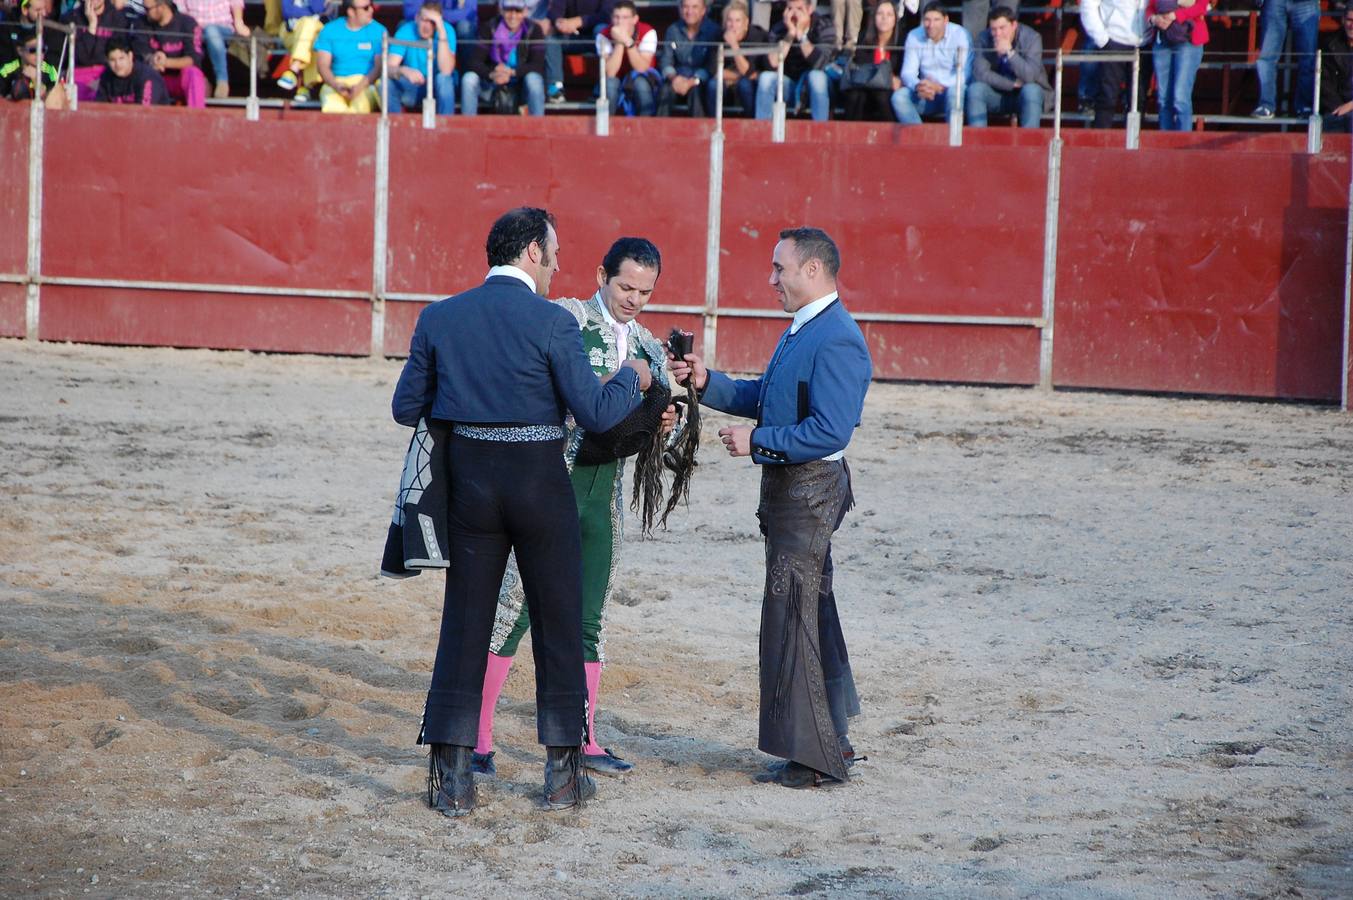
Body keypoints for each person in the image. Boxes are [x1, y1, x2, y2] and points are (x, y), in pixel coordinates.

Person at [391, 207, 651, 817]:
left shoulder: (441, 317)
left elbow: (408, 407)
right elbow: (595, 412)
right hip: (539, 483)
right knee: (559, 624)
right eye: (554, 251)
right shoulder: (550, 322)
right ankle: (563, 777)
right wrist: (635, 377)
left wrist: (466, 400)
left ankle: (453, 780)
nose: (559, 262)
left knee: (465, 624)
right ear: (531, 252)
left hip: (472, 486)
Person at [670, 227, 871, 790]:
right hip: (795, 493)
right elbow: (767, 395)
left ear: (812, 270)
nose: (772, 278)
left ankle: (815, 759)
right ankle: (832, 740)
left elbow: (831, 430)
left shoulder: (836, 337)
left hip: (807, 493)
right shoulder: (809, 329)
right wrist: (707, 382)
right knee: (811, 610)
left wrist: (758, 442)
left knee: (795, 615)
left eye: (779, 268)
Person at [473, 237, 679, 780]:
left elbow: (664, 412)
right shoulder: (563, 319)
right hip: (550, 487)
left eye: (644, 291)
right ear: (601, 275)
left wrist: (663, 421)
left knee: (590, 620)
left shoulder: (649, 348)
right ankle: (477, 738)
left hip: (602, 497)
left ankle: (585, 740)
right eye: (625, 286)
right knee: (511, 612)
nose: (633, 299)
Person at [966, 5, 1049, 128]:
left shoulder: (1032, 38)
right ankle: (978, 142)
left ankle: (1029, 142)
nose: (997, 34)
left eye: (1002, 28)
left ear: (1014, 25)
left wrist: (1010, 53)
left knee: (1032, 90)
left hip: (1024, 94)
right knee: (976, 89)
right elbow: (980, 74)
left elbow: (1030, 76)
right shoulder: (984, 37)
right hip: (996, 93)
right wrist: (1011, 83)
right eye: (993, 29)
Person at [461, 0, 546, 116]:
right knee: (468, 79)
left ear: (525, 12)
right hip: (492, 83)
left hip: (521, 84)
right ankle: (468, 125)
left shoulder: (534, 30)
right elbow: (474, 62)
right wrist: (492, 74)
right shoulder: (489, 27)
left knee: (534, 79)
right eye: (509, 11)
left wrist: (512, 72)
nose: (513, 16)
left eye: (518, 11)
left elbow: (538, 64)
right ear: (501, 11)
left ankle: (538, 126)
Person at [757, 0, 835, 122]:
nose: (793, 14)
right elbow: (772, 65)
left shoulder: (825, 25)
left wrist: (801, 34)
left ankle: (820, 129)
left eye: (799, 9)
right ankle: (761, 131)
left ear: (809, 9)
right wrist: (790, 34)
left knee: (816, 76)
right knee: (766, 78)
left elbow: (820, 64)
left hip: (818, 87)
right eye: (790, 9)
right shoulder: (778, 29)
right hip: (790, 86)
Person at [894, 0, 970, 125]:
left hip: (951, 91)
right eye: (927, 20)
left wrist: (939, 86)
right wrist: (919, 85)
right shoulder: (914, 35)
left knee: (954, 93)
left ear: (946, 20)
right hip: (926, 92)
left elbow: (964, 74)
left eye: (936, 20)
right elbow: (908, 72)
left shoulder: (960, 35)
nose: (931, 25)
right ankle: (920, 138)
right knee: (899, 97)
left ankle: (952, 141)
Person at [1079, 0, 1148, 128]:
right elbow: (1088, 6)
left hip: (1144, 43)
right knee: (1107, 97)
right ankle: (1100, 142)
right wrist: (1102, 39)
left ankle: (1134, 145)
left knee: (1139, 99)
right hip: (1114, 40)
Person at [314, 0, 386, 114]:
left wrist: (359, 87)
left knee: (359, 110)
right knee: (332, 110)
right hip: (336, 82)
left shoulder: (378, 30)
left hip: (366, 83)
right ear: (351, 12)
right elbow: (323, 65)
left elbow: (378, 67)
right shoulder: (330, 30)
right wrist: (336, 85)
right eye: (366, 8)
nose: (371, 10)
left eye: (371, 5)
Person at [61, 0, 140, 101]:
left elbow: (114, 53)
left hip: (106, 74)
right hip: (77, 74)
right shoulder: (70, 18)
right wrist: (92, 27)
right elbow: (79, 57)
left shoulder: (117, 18)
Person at [1147, 0, 1207, 131]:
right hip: (1163, 40)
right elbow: (1150, 7)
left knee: (1180, 98)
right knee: (1163, 99)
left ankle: (1183, 145)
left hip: (1188, 40)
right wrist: (1154, 19)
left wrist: (1176, 15)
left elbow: (1201, 6)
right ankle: (1166, 144)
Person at [1252, 0, 1318, 118]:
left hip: (1306, 3)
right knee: (1267, 57)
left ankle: (1304, 106)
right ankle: (1266, 104)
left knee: (1308, 57)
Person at [389, 1, 456, 115]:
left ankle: (446, 128)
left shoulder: (446, 31)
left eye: (432, 22)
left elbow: (446, 71)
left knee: (443, 79)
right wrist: (404, 70)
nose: (427, 26)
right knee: (385, 83)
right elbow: (388, 67)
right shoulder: (406, 30)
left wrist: (440, 30)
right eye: (424, 20)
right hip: (414, 87)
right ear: (417, 18)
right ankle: (395, 126)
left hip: (439, 88)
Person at [840, 0, 903, 122]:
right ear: (874, 17)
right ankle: (851, 134)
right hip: (867, 84)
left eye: (889, 14)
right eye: (880, 14)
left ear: (895, 19)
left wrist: (898, 79)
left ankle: (891, 134)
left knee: (881, 95)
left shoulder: (901, 41)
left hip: (888, 88)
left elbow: (902, 70)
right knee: (855, 95)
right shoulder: (864, 39)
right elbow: (863, 67)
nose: (884, 18)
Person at [140, 0, 208, 108]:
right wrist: (153, 59)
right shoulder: (142, 23)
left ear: (161, 6)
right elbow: (139, 52)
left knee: (193, 73)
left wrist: (166, 62)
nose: (145, 13)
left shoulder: (187, 23)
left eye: (148, 9)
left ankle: (197, 117)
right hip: (154, 78)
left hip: (179, 79)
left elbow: (194, 59)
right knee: (144, 75)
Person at [658, 0, 719, 116]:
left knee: (696, 92)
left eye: (695, 7)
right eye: (686, 7)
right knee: (665, 91)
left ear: (703, 10)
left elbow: (711, 66)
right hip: (677, 77)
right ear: (680, 9)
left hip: (700, 79)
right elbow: (666, 61)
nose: (689, 11)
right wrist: (674, 78)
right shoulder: (673, 30)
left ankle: (699, 132)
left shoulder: (713, 31)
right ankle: (659, 131)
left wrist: (692, 81)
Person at [596, 0, 658, 116]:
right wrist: (620, 42)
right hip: (616, 78)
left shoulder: (648, 32)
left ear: (635, 19)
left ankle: (646, 129)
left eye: (625, 18)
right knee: (610, 84)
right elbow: (610, 72)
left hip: (641, 77)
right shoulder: (603, 35)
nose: (620, 22)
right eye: (616, 17)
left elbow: (641, 68)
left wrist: (628, 42)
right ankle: (607, 128)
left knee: (641, 84)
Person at [176, 0, 248, 97]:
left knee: (211, 31)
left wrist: (239, 22)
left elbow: (236, 2)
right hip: (195, 28)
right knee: (191, 39)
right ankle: (202, 81)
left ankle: (222, 81)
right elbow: (180, 9)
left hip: (223, 27)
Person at [709, 0, 769, 115]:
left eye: (737, 21)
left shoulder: (756, 36)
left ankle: (751, 125)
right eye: (729, 21)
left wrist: (734, 45)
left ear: (746, 23)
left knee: (744, 85)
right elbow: (713, 71)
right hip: (726, 83)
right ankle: (713, 124)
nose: (733, 25)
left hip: (750, 85)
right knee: (713, 85)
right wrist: (738, 75)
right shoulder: (718, 35)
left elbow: (748, 72)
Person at [543, 0, 609, 104]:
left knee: (601, 30)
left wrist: (579, 21)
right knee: (551, 40)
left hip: (595, 37)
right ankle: (555, 89)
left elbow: (608, 14)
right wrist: (559, 22)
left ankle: (601, 88)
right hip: (571, 36)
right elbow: (554, 12)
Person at [273, 0, 328, 101]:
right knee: (310, 25)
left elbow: (318, 8)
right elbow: (287, 11)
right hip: (290, 33)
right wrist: (311, 14)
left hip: (312, 31)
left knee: (313, 31)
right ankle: (306, 86)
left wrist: (302, 12)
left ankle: (294, 69)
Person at [95, 35, 170, 102]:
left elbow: (145, 111)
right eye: (112, 60)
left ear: (130, 56)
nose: (117, 64)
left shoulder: (147, 77)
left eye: (121, 58)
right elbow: (100, 106)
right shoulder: (106, 77)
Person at [1320, 4, 1353, 133]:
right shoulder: (1331, 45)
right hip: (1337, 108)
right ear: (1343, 20)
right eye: (1349, 20)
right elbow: (1324, 83)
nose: (1352, 26)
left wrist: (1350, 106)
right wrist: (1338, 107)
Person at [0, 32, 58, 99]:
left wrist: (35, 80)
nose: (39, 53)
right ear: (20, 51)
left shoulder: (50, 70)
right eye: (33, 50)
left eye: (43, 49)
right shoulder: (6, 70)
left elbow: (53, 101)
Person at [402, 0, 474, 45]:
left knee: (465, 27)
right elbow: (411, 12)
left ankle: (467, 68)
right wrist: (433, 17)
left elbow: (468, 13)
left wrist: (436, 17)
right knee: (404, 25)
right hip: (427, 21)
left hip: (454, 26)